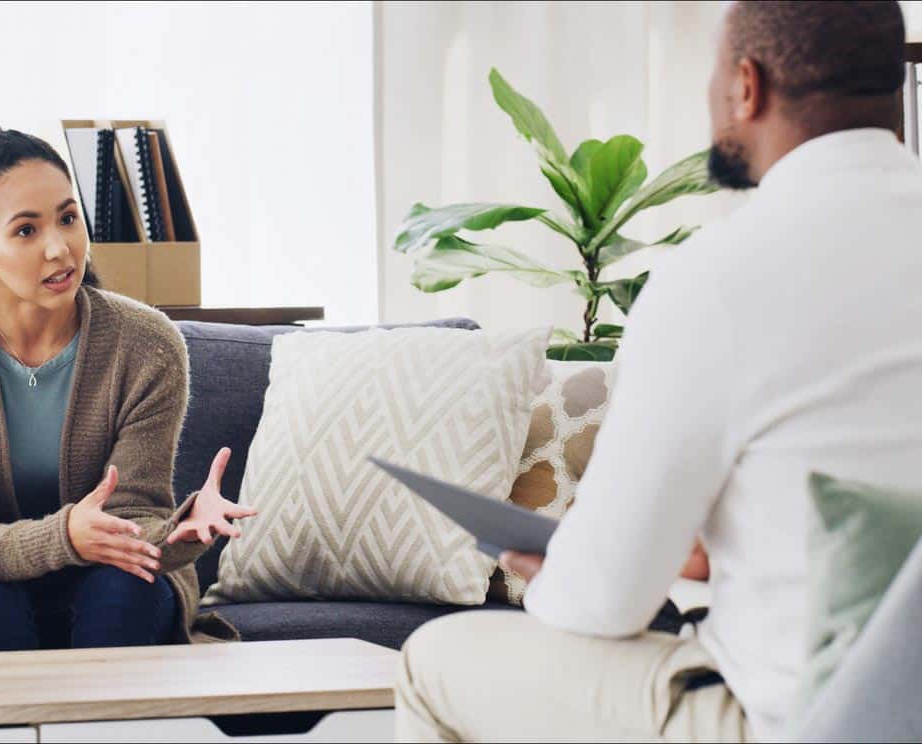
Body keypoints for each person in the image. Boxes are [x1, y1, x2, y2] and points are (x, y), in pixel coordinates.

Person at [394, 2, 921, 741]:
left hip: (802, 721)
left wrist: (566, 575)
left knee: (432, 662)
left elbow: (604, 603)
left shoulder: (719, 276)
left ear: (745, 85)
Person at [0, 127, 256, 653]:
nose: (59, 248)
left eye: (68, 218)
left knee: (123, 597)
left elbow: (133, 515)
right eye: (25, 230)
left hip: (106, 570)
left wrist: (178, 531)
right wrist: (64, 538)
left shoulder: (147, 344)